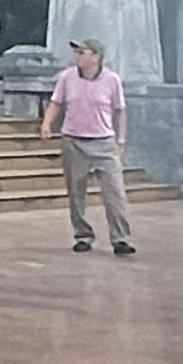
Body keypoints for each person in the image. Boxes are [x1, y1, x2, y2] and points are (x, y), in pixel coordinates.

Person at [41, 39, 135, 256]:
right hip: (74, 140)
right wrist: (47, 123)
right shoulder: (67, 77)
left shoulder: (112, 80)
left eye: (82, 52)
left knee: (115, 192)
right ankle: (83, 235)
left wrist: (121, 140)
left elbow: (119, 111)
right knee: (76, 191)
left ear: (96, 56)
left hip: (103, 141)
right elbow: (56, 103)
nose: (78, 57)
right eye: (77, 52)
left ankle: (120, 238)